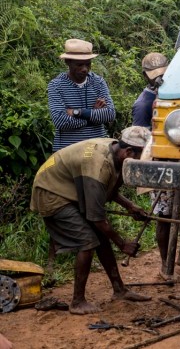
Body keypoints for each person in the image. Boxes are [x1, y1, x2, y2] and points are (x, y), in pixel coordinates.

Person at [30, 126, 153, 315]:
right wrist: (122, 244)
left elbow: (107, 190)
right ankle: (77, 302)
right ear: (128, 152)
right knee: (87, 242)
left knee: (101, 238)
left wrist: (129, 206)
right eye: (140, 158)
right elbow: (97, 219)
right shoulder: (98, 166)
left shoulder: (114, 152)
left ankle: (119, 290)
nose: (140, 164)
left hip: (68, 190)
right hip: (51, 192)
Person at [132, 53, 180, 279]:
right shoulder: (143, 104)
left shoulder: (177, 94)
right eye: (154, 76)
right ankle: (164, 263)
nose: (158, 79)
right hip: (160, 163)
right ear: (145, 76)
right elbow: (140, 138)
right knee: (164, 213)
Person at [48, 38, 116, 152]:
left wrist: (77, 112)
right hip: (68, 152)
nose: (84, 69)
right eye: (79, 65)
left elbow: (110, 114)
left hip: (97, 149)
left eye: (88, 64)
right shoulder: (56, 85)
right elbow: (60, 120)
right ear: (68, 62)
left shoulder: (98, 82)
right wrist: (93, 116)